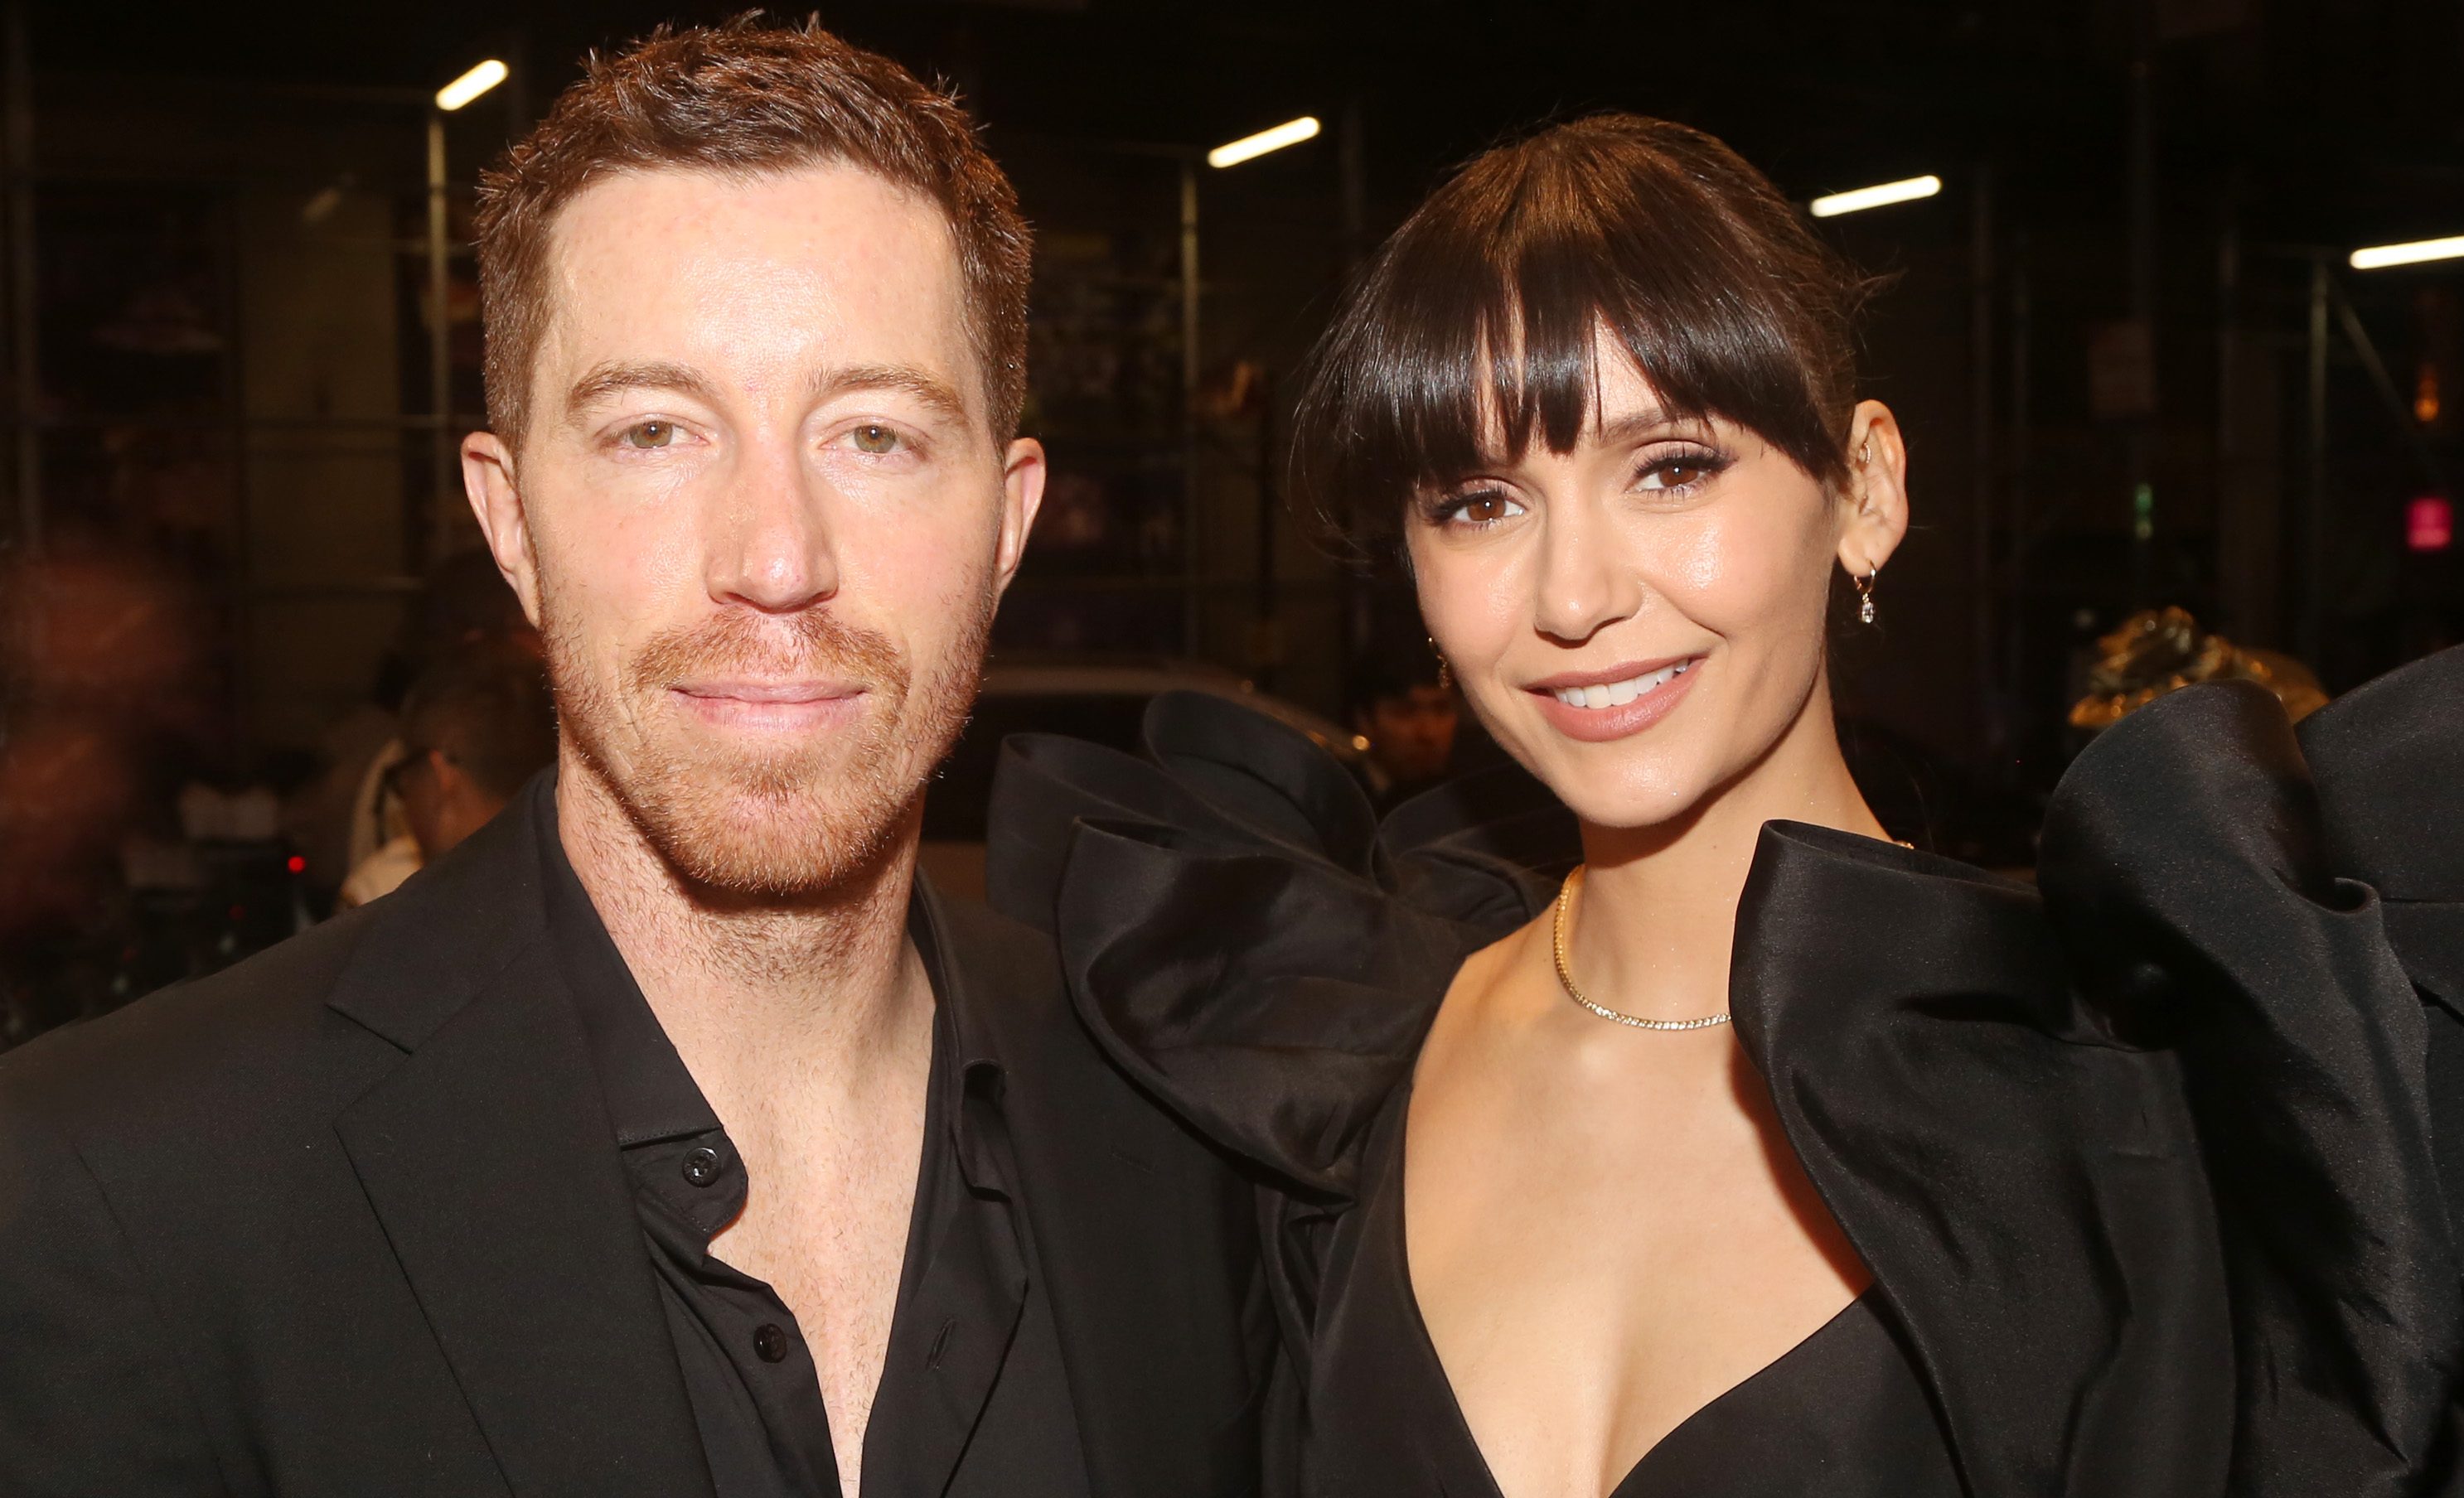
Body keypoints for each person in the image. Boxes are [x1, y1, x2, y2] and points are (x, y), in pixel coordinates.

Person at [986, 115, 2464, 1496]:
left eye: (1673, 466)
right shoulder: (1329, 1067)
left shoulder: (2128, 1113)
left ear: (1862, 488)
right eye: (1481, 500)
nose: (1573, 593)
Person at [0, 20, 1266, 1498]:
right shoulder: (123, 1190)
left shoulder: (1192, 1131)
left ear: (1008, 520)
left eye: (872, 435)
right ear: (510, 522)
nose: (777, 558)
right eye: (655, 430)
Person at [339, 650, 558, 908]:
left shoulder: (386, 897)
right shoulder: (581, 879)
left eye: (404, 780)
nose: (404, 805)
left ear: (437, 777)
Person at [1346, 636, 1462, 810]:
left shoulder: (1468, 801)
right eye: (1405, 713)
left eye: (1441, 710)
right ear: (1365, 720)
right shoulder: (1341, 802)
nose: (1428, 733)